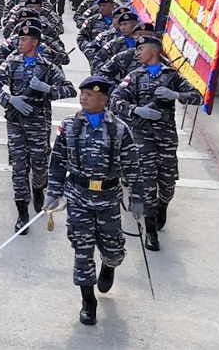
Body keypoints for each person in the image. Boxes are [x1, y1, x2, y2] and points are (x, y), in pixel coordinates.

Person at [44, 75, 145, 326]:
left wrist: (138, 197)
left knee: (113, 250)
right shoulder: (68, 127)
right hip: (78, 198)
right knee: (82, 251)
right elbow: (57, 162)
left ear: (104, 98)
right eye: (82, 94)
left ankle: (109, 266)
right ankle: (88, 301)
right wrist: (52, 193)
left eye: (90, 94)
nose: (84, 98)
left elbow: (132, 166)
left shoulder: (119, 129)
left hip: (108, 199)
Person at [110, 34, 200, 250]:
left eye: (142, 49)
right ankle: (150, 231)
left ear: (154, 51)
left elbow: (197, 96)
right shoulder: (134, 77)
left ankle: (163, 205)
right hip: (142, 138)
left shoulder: (172, 76)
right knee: (147, 184)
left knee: (167, 184)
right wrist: (136, 110)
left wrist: (175, 94)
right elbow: (115, 100)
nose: (138, 53)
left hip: (166, 138)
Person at [0, 24, 77, 234]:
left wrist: (47, 89)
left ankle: (38, 191)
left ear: (35, 42)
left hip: (39, 123)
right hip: (16, 122)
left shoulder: (48, 66)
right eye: (19, 39)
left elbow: (70, 90)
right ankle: (22, 213)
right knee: (19, 168)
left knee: (39, 167)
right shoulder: (11, 62)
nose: (19, 42)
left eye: (23, 40)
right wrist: (10, 99)